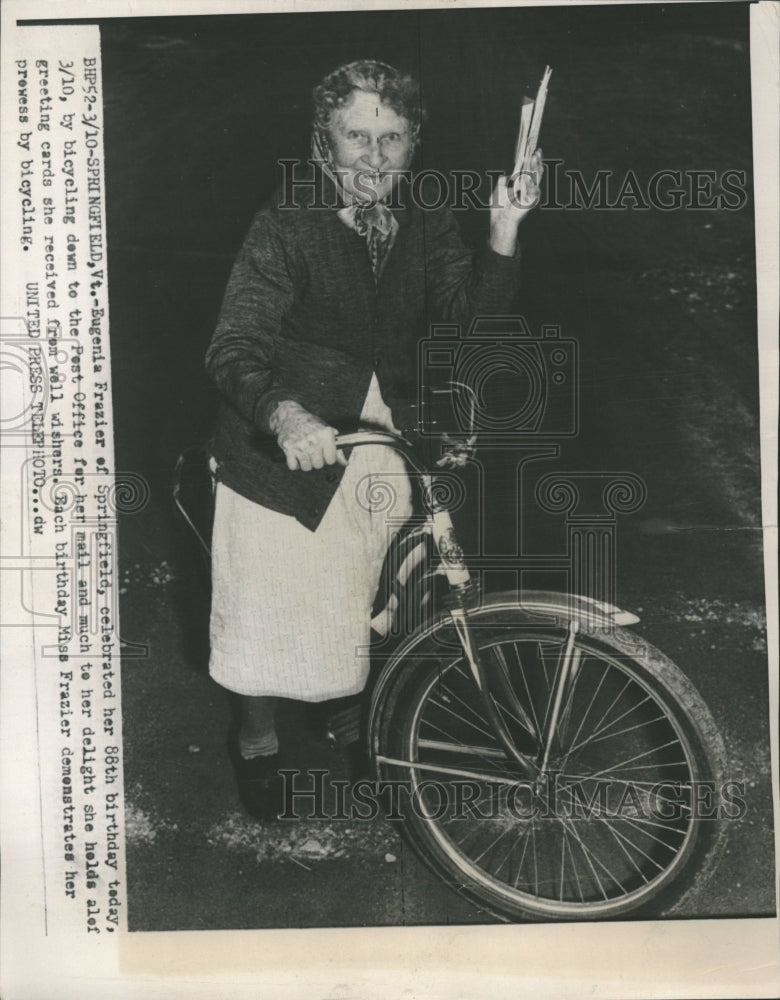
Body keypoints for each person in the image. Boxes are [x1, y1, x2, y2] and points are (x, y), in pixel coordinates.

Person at [205, 59, 543, 820]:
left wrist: (503, 229)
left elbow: (466, 326)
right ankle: (257, 744)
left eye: (391, 138)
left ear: (412, 145)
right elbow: (233, 345)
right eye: (356, 135)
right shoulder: (285, 220)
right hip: (283, 451)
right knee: (264, 613)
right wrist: (285, 415)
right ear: (324, 142)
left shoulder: (422, 217)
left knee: (368, 592)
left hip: (379, 436)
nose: (374, 156)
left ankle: (351, 712)